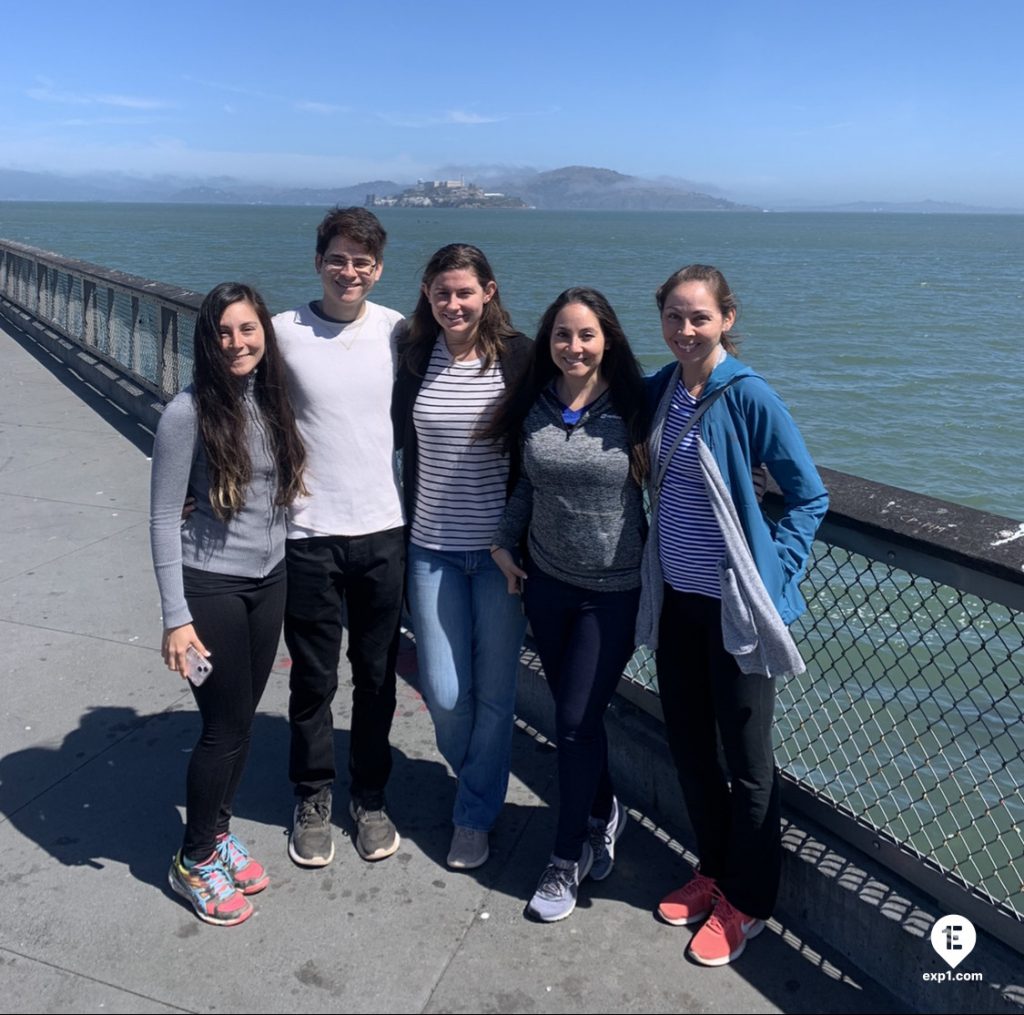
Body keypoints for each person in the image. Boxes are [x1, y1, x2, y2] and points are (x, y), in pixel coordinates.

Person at [636, 264, 828, 965]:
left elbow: (808, 496)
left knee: (748, 764)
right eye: (674, 316)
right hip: (677, 606)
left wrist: (773, 576)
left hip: (736, 612)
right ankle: (713, 870)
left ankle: (748, 902)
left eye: (699, 317)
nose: (685, 329)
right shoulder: (661, 388)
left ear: (726, 318)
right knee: (690, 749)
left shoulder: (748, 395)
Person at [489, 287, 649, 921]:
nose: (574, 346)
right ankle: (605, 809)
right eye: (562, 334)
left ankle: (565, 856)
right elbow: (530, 484)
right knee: (573, 718)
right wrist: (502, 542)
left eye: (586, 335)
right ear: (548, 340)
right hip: (547, 585)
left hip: (614, 592)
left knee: (576, 722)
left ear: (607, 339)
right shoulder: (536, 404)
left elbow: (690, 465)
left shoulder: (636, 406)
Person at [150, 282, 307, 926]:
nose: (237, 343)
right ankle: (193, 860)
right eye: (223, 332)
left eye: (247, 329)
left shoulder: (272, 397)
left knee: (242, 721)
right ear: (206, 341)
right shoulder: (186, 412)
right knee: (221, 728)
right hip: (209, 586)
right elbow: (163, 516)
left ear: (264, 332)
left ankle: (216, 834)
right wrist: (175, 617)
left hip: (269, 580)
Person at [392, 244, 532, 870]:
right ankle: (481, 779)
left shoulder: (521, 358)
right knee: (447, 695)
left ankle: (474, 814)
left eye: (465, 292)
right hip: (431, 551)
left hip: (500, 558)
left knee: (496, 695)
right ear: (427, 295)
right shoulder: (413, 355)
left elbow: (563, 423)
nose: (453, 304)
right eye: (442, 293)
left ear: (488, 293)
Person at [273, 207, 405, 867]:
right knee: (314, 677)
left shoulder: (399, 331)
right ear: (318, 260)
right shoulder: (281, 332)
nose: (348, 271)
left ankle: (371, 796)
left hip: (384, 528)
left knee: (377, 676)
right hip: (308, 532)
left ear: (377, 270)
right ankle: (313, 794)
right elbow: (231, 403)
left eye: (362, 261)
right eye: (338, 258)